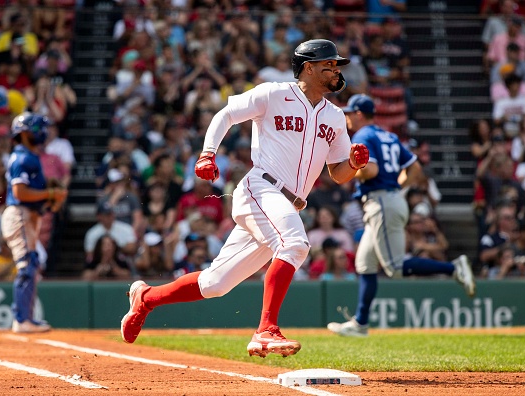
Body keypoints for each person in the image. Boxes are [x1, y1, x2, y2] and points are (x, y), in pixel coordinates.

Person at [120, 39, 369, 357]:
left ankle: (146, 298)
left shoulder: (335, 116)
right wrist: (208, 152)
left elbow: (338, 172)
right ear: (308, 67)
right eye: (329, 64)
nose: (336, 69)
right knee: (294, 243)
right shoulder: (274, 93)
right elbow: (226, 114)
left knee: (215, 284)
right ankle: (266, 330)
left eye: (336, 65)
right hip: (261, 188)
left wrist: (354, 165)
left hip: (286, 206)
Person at [326, 94, 475, 337]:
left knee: (394, 267)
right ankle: (360, 323)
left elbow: (371, 170)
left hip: (381, 201)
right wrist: (398, 187)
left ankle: (453, 268)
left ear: (360, 114)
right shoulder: (389, 135)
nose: (347, 117)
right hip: (389, 199)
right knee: (365, 264)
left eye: (350, 113)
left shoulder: (363, 135)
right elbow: (415, 168)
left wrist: (350, 170)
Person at [1, 112, 67, 333]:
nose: (43, 132)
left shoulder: (29, 156)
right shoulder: (22, 157)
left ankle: (25, 317)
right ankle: (21, 319)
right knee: (27, 264)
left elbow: (35, 198)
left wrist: (51, 200)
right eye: (38, 128)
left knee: (33, 262)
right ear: (26, 132)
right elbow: (20, 192)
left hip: (27, 215)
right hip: (19, 214)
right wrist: (49, 192)